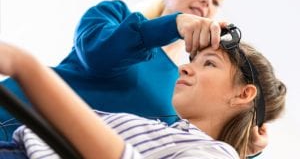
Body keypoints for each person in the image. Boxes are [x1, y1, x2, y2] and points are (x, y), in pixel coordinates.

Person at [0, 0, 267, 156]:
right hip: (10, 115)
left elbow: (184, 144)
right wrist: (174, 24)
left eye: (215, 1)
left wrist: (245, 143)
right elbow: (98, 55)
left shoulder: (185, 89)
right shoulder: (113, 15)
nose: (206, 0)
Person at [0, 33, 286, 158]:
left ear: (244, 93)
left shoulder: (219, 153)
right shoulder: (170, 134)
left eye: (209, 63)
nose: (184, 68)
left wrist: (28, 68)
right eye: (193, 60)